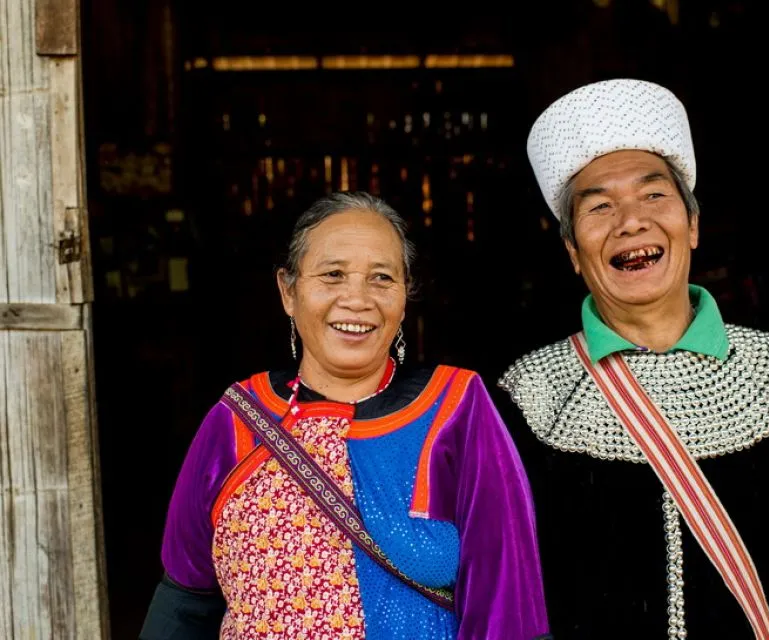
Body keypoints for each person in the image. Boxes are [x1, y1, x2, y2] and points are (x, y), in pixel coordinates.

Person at [497, 79, 769, 639]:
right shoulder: (532, 396)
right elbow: (514, 600)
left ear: (692, 225)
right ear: (573, 251)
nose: (630, 221)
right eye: (599, 207)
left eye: (653, 195)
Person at [140, 192, 551, 640]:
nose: (357, 300)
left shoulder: (455, 408)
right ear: (288, 291)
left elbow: (508, 606)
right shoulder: (237, 418)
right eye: (333, 275)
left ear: (404, 294)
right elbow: (184, 600)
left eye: (381, 278)